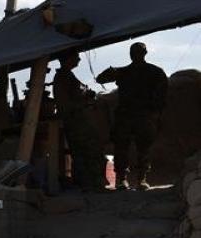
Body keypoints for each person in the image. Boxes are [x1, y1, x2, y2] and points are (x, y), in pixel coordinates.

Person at [96, 42, 168, 190]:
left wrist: (155, 114)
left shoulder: (153, 72)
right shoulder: (128, 71)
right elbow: (100, 79)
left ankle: (137, 179)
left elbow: (162, 96)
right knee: (125, 148)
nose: (135, 55)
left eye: (136, 52)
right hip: (129, 116)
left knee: (140, 149)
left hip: (141, 115)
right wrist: (113, 71)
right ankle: (126, 180)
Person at [53, 51, 106, 191]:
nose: (79, 59)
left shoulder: (68, 76)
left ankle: (91, 185)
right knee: (88, 152)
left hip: (80, 120)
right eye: (76, 56)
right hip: (75, 122)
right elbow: (65, 104)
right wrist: (85, 102)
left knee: (88, 152)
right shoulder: (62, 77)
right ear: (68, 58)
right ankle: (91, 185)